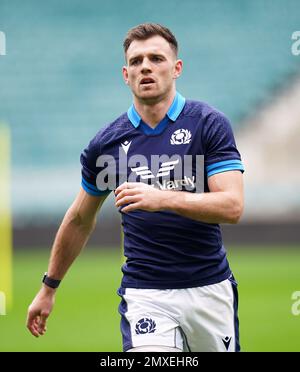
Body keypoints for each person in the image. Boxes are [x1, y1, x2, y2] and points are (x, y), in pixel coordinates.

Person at [27, 23, 244, 352]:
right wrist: (49, 287)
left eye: (156, 58)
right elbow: (80, 219)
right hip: (146, 292)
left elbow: (232, 206)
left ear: (176, 68)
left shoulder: (207, 124)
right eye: (137, 60)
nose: (146, 66)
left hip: (209, 288)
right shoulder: (107, 143)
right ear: (126, 74)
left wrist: (162, 199)